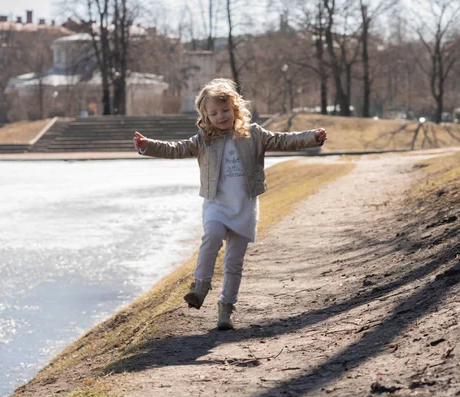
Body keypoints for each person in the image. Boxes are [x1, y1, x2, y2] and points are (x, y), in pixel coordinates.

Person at [133, 78, 327, 330]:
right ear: (206, 116)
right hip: (217, 204)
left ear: (235, 109)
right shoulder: (204, 139)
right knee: (211, 236)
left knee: (233, 263)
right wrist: (148, 146)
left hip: (244, 206)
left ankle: (226, 309)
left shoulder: (253, 134)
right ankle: (200, 287)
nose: (220, 116)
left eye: (225, 110)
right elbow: (176, 149)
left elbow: (283, 140)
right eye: (213, 113)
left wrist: (313, 137)